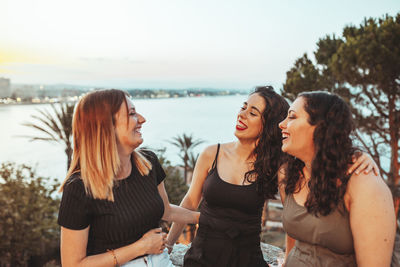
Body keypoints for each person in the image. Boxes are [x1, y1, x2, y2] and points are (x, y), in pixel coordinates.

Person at [166, 86, 378, 267]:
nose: (241, 115)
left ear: (266, 124)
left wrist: (361, 155)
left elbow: (293, 214)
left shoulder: (277, 165)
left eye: (253, 112)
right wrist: (168, 245)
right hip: (202, 257)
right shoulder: (211, 153)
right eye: (243, 108)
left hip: (247, 260)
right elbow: (190, 202)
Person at [58, 89, 199, 267]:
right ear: (106, 125)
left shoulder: (149, 163)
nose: (142, 119)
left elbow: (165, 211)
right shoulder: (79, 188)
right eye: (132, 114)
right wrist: (139, 248)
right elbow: (73, 264)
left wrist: (205, 219)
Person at [278, 91, 396, 267]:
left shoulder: (364, 184)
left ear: (321, 127)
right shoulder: (289, 174)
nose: (281, 124)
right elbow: (295, 234)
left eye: (292, 117)